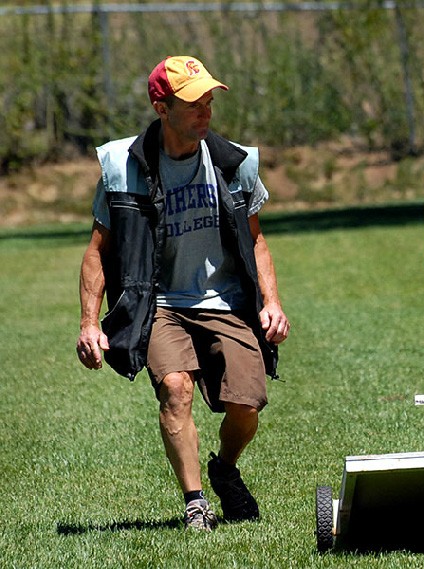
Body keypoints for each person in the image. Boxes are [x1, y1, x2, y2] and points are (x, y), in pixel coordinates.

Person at [75, 55, 290, 531]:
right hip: (159, 303)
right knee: (176, 389)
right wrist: (90, 321)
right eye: (192, 102)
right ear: (161, 107)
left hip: (224, 299)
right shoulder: (121, 167)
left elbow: (255, 239)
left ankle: (225, 469)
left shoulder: (234, 164)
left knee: (246, 404)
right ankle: (195, 503)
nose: (205, 111)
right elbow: (97, 252)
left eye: (209, 100)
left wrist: (271, 303)